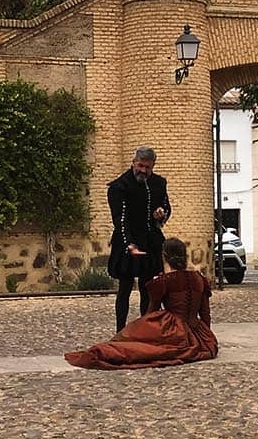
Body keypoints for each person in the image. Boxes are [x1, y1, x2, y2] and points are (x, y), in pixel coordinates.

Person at [66, 238, 217, 369]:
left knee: (135, 344)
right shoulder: (199, 278)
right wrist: (205, 337)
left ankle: (110, 348)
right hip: (199, 333)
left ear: (165, 257)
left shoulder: (163, 281)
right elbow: (205, 313)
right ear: (185, 256)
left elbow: (151, 314)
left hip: (175, 331)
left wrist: (139, 334)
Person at [106, 146, 171, 331]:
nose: (143, 170)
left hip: (150, 240)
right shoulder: (119, 186)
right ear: (134, 162)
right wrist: (129, 244)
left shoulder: (159, 183)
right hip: (127, 239)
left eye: (147, 168)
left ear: (153, 167)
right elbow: (120, 219)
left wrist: (161, 214)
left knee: (148, 289)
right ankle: (120, 331)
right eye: (140, 166)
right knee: (125, 288)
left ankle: (146, 330)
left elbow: (166, 208)